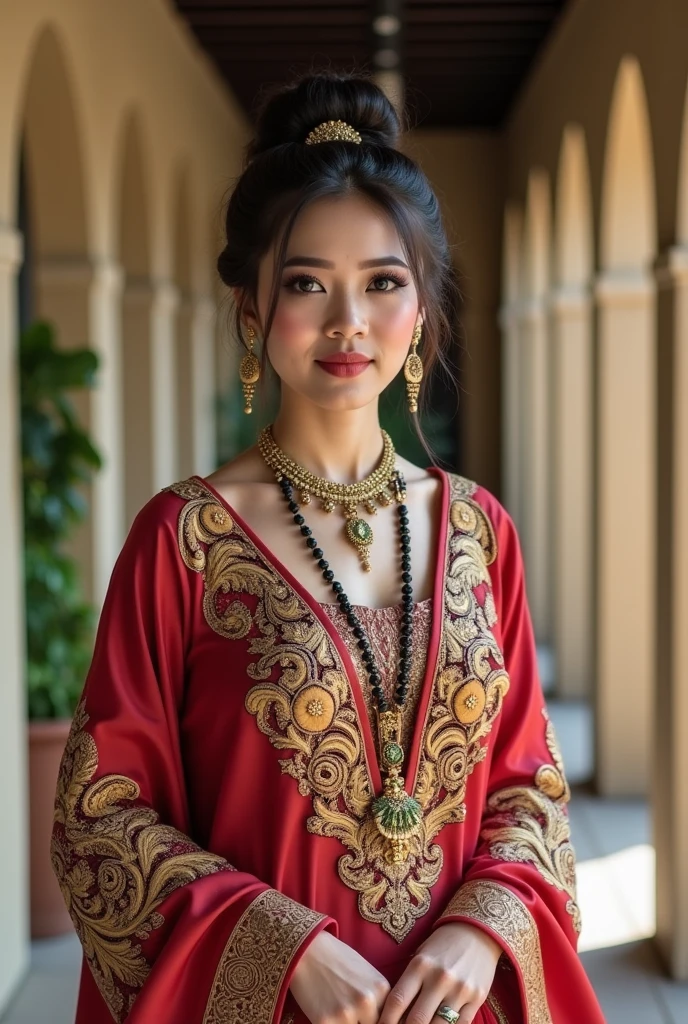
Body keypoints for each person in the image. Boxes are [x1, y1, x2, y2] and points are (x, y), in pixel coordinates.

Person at [51, 72, 605, 1024]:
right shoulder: (182, 542)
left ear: (422, 310)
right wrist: (283, 948)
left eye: (383, 283)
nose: (349, 321)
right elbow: (99, 821)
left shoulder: (479, 532)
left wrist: (484, 923)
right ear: (253, 311)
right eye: (308, 282)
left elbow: (531, 788)